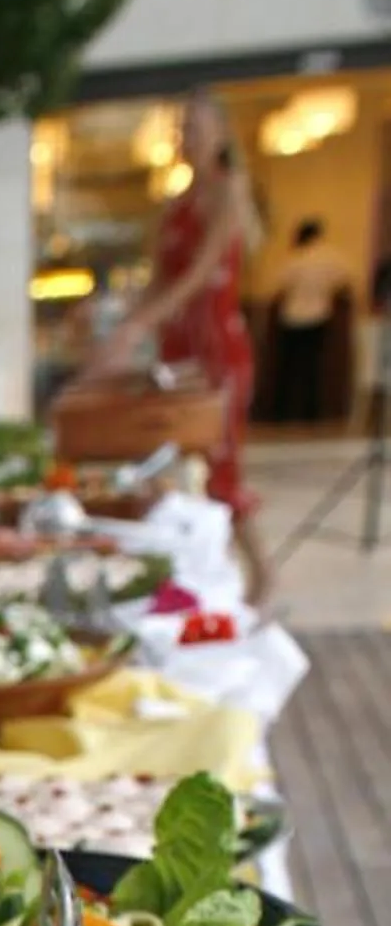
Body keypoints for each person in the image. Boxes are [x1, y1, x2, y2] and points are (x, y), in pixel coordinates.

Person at [82, 90, 268, 597]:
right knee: (177, 463)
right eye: (183, 128)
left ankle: (258, 578)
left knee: (220, 463)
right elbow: (158, 281)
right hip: (177, 349)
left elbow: (198, 277)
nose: (187, 138)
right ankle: (203, 577)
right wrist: (121, 326)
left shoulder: (229, 193)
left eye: (196, 128)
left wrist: (138, 325)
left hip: (216, 349)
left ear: (220, 136)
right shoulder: (176, 204)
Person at [272, 218, 349, 423]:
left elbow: (279, 287)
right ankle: (311, 413)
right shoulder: (331, 257)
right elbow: (346, 282)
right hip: (318, 318)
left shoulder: (296, 257)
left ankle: (282, 413)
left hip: (291, 318)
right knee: (312, 369)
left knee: (287, 369)